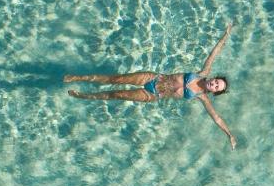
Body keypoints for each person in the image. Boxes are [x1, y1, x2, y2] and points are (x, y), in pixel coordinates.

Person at [65, 24, 237, 149]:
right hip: (153, 78)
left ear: (214, 92)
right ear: (214, 78)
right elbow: (214, 53)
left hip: (152, 95)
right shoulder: (203, 72)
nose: (214, 84)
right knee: (116, 79)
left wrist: (229, 134)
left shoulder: (202, 97)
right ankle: (77, 77)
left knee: (117, 95)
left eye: (216, 87)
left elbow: (217, 118)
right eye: (216, 81)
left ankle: (85, 96)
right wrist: (225, 35)